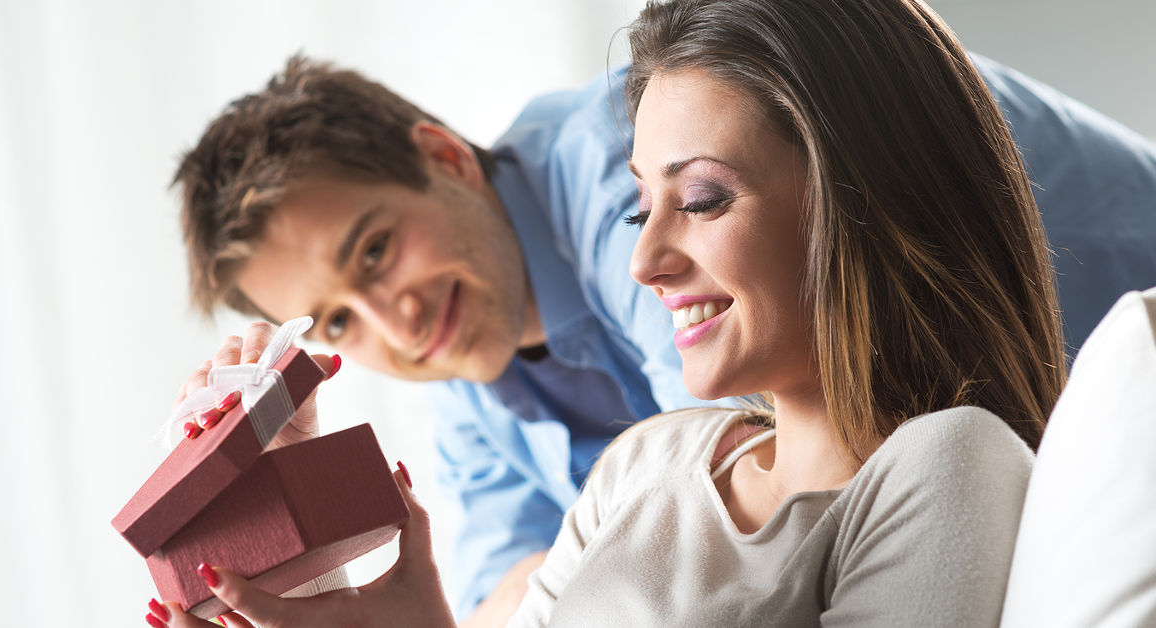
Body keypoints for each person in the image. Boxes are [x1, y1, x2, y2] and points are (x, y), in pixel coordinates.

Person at [165, 13, 1155, 625]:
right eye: (336, 322)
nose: (389, 316)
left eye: (375, 251)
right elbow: (515, 599)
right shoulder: (607, 440)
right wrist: (302, 546)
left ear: (444, 156)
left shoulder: (627, 146)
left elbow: (786, 476)